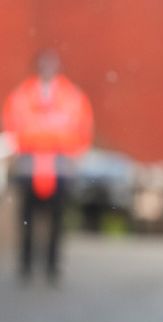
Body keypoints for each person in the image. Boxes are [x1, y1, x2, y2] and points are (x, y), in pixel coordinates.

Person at [3, 49, 93, 285]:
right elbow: (11, 125)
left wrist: (76, 155)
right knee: (27, 218)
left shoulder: (71, 96)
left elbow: (83, 128)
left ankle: (52, 266)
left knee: (57, 219)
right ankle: (26, 265)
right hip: (29, 165)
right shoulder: (23, 95)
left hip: (60, 165)